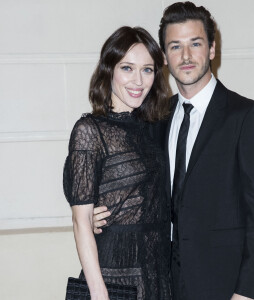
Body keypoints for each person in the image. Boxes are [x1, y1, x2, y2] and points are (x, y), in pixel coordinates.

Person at [93, 2, 254, 300]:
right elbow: (134, 187)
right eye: (175, 46)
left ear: (212, 49)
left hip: (224, 286)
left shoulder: (248, 117)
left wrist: (246, 293)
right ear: (165, 57)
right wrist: (97, 213)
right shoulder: (156, 118)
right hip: (161, 283)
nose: (186, 56)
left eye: (195, 43)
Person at [63, 26, 172, 300]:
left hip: (157, 271)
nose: (138, 81)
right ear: (108, 69)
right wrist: (99, 292)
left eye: (147, 70)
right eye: (127, 68)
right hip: (113, 275)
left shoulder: (153, 127)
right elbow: (80, 221)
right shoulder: (90, 130)